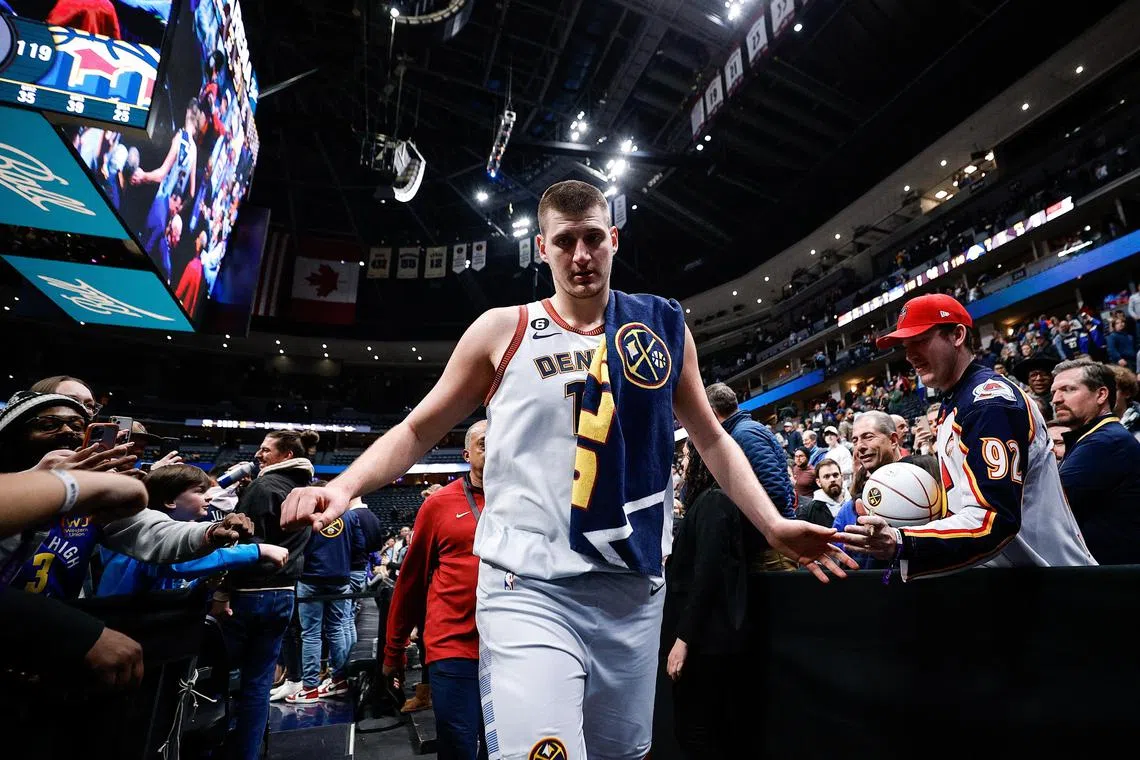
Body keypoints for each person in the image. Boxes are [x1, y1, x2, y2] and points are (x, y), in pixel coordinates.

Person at [279, 180, 851, 759]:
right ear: (542, 247)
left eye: (593, 239)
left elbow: (711, 438)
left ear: (614, 240)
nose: (581, 255)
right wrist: (344, 485)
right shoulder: (503, 330)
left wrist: (774, 524)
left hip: (632, 590)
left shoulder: (661, 328)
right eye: (566, 240)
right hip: (530, 588)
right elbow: (418, 430)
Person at [838, 293, 1095, 578]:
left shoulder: (989, 402)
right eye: (905, 345)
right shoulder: (958, 401)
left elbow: (994, 521)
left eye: (920, 340)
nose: (909, 355)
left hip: (1051, 579)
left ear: (957, 335)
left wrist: (903, 540)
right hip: (1015, 581)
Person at [384, 421, 488, 760]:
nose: (496, 447)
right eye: (485, 442)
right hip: (453, 646)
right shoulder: (439, 504)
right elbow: (411, 581)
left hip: (512, 646)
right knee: (458, 746)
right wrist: (394, 648)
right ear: (467, 453)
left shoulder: (528, 498)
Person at [216, 430, 317, 760]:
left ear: (286, 455)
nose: (258, 455)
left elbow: (244, 545)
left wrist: (222, 589)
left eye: (265, 450)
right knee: (258, 685)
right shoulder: (303, 490)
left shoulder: (264, 486)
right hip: (284, 593)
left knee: (219, 678)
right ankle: (248, 752)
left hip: (249, 593)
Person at [663, 441, 752, 758]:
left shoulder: (714, 501)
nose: (684, 465)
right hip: (711, 639)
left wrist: (683, 638)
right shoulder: (712, 501)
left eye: (688, 458)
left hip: (707, 642)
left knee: (697, 732)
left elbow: (708, 572)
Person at [95, 465, 289, 596]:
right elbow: (173, 566)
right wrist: (258, 550)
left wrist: (205, 584)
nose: (209, 498)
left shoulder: (184, 530)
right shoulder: (140, 534)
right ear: (170, 501)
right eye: (199, 491)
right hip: (121, 622)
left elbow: (177, 584)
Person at [1051, 359, 1140, 564]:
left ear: (1101, 395)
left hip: (1113, 580)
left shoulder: (1106, 441)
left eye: (1068, 389)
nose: (1056, 399)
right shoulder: (1094, 437)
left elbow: (1052, 503)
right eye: (1054, 392)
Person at [795, 458, 848, 529]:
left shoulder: (856, 503)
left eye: (835, 475)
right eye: (826, 477)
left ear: (842, 477)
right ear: (818, 482)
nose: (832, 479)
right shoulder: (807, 512)